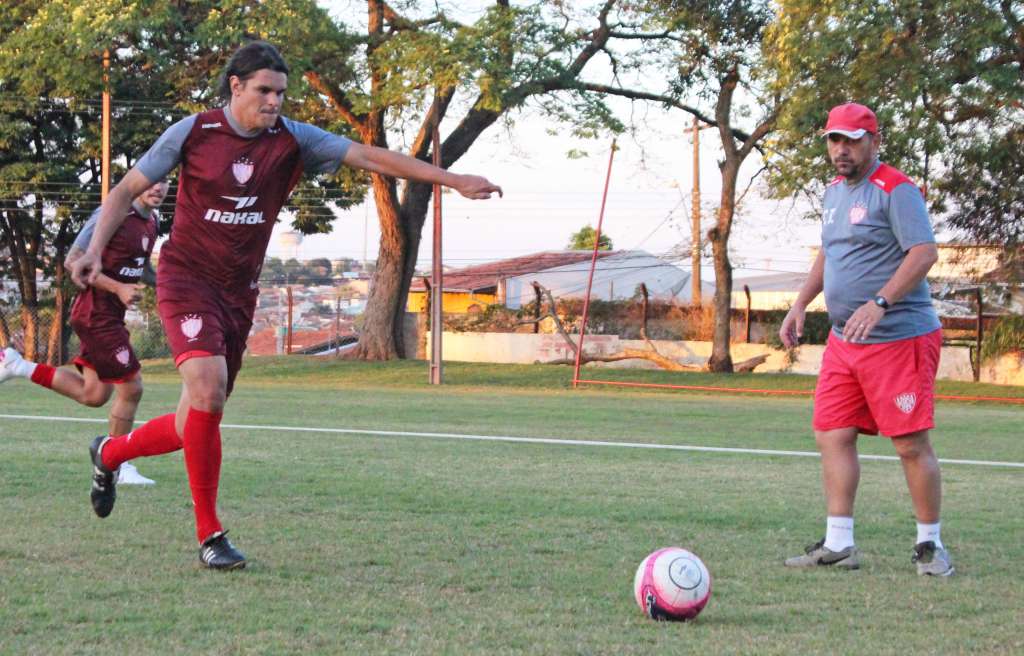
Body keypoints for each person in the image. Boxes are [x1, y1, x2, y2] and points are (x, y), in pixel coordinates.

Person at [68, 41, 502, 571]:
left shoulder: (294, 138)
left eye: (280, 92)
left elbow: (368, 156)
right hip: (187, 281)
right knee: (205, 388)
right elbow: (123, 191)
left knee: (195, 421)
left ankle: (109, 453)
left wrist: (452, 179)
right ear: (236, 86)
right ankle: (210, 535)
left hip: (239, 292)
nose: (274, 101)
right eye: (264, 90)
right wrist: (91, 250)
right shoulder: (193, 131)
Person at [779, 102, 952, 576]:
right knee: (832, 434)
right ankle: (839, 544)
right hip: (843, 341)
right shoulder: (834, 193)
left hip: (899, 338)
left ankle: (930, 545)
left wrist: (880, 303)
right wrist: (800, 305)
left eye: (852, 140)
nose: (842, 149)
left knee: (909, 444)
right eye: (835, 140)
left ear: (873, 142)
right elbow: (829, 254)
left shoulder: (896, 190)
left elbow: (923, 252)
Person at [1, 181, 170, 486]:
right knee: (132, 388)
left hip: (109, 316)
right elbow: (74, 260)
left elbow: (141, 268)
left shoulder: (152, 222)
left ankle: (17, 365)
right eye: (152, 180)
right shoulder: (112, 212)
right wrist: (117, 288)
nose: (158, 187)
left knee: (93, 395)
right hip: (95, 314)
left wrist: (170, 284)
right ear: (138, 181)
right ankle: (117, 465)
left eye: (166, 181)